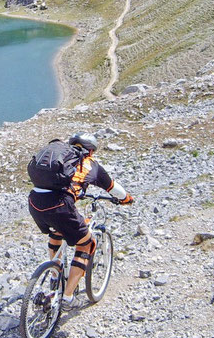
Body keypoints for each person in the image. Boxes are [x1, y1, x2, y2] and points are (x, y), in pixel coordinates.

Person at [27, 132, 134, 310]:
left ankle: (55, 274)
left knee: (58, 231)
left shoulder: (60, 159)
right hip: (60, 205)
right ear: (90, 151)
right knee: (87, 243)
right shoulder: (90, 164)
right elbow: (112, 187)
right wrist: (126, 199)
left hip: (35, 202)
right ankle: (67, 298)